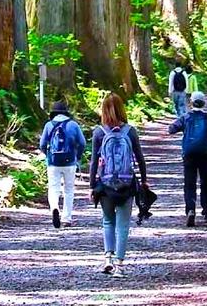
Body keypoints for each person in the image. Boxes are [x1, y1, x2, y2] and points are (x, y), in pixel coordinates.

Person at [90, 93, 148, 278]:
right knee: (123, 225)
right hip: (127, 184)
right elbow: (139, 158)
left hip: (105, 184)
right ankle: (120, 266)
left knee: (108, 221)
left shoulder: (99, 132)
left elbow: (93, 162)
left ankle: (108, 258)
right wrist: (144, 180)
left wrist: (92, 186)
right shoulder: (130, 131)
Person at [167, 92, 207, 227]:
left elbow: (171, 129)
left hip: (189, 153)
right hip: (204, 153)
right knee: (205, 182)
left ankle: (190, 209)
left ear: (191, 102)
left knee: (189, 182)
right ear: (203, 103)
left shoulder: (186, 118)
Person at [39, 101, 87, 228]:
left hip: (53, 162)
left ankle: (54, 208)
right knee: (69, 189)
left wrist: (48, 155)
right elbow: (82, 143)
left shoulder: (49, 125)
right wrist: (78, 156)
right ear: (66, 112)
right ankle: (67, 218)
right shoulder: (73, 125)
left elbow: (42, 145)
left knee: (54, 187)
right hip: (70, 162)